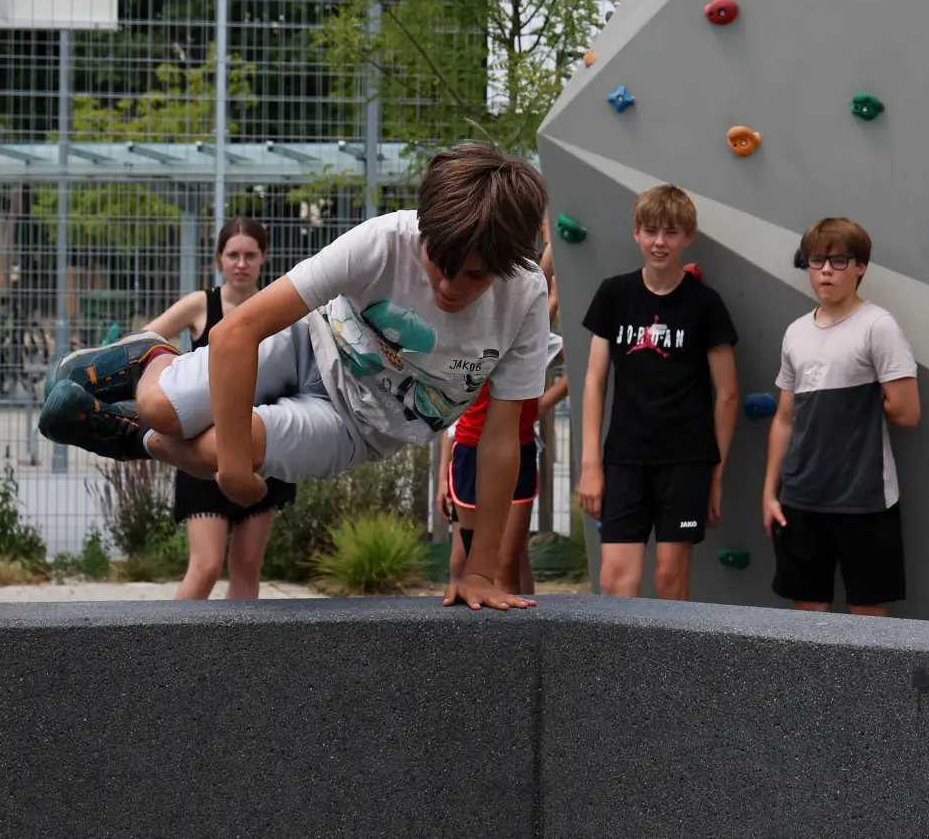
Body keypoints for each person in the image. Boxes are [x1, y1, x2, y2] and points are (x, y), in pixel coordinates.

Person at [37, 140, 552, 612]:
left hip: (358, 427)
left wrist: (481, 571)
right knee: (163, 411)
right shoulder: (383, 241)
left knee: (217, 447)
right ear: (424, 230)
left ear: (508, 265)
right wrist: (236, 476)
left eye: (475, 276)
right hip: (307, 343)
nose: (448, 286)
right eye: (438, 262)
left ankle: (132, 437)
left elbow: (502, 436)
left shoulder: (524, 299)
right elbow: (237, 332)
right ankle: (148, 359)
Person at [577, 184, 739, 601]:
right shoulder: (614, 295)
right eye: (650, 231)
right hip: (626, 458)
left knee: (670, 579)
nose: (659, 242)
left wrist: (715, 475)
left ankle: (672, 669)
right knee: (615, 580)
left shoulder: (706, 305)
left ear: (688, 236)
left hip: (686, 460)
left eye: (670, 233)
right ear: (636, 234)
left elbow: (727, 394)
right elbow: (594, 381)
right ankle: (616, 667)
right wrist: (591, 464)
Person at [760, 217, 919, 616]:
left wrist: (857, 404)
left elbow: (907, 412)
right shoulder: (796, 332)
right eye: (817, 261)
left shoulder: (878, 326)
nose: (826, 270)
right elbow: (784, 418)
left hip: (863, 499)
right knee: (808, 618)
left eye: (838, 261)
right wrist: (769, 493)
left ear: (861, 267)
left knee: (867, 619)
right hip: (801, 498)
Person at [141, 216, 296, 600]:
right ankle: (168, 652)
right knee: (206, 567)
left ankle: (238, 659)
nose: (241, 263)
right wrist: (170, 372)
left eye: (249, 255)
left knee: (246, 567)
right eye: (233, 255)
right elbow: (145, 341)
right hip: (202, 451)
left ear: (264, 258)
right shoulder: (201, 304)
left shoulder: (277, 304)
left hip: (260, 443)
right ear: (219, 260)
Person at [436, 331, 567, 595]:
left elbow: (578, 362)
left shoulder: (531, 331)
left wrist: (539, 406)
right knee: (466, 564)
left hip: (517, 448)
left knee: (506, 566)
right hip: (468, 452)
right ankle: (467, 633)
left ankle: (512, 636)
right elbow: (450, 412)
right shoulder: (463, 329)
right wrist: (441, 478)